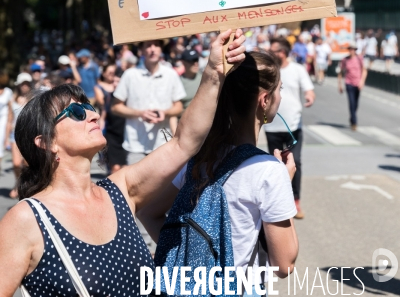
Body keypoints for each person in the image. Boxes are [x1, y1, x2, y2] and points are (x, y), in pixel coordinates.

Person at [0, 29, 245, 297]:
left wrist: (213, 72)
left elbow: (183, 142)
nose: (92, 114)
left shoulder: (119, 191)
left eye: (90, 107)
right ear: (47, 143)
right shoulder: (26, 219)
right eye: (77, 112)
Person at [139, 51, 298, 293]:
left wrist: (189, 260)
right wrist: (284, 185)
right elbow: (284, 265)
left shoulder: (199, 157)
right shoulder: (268, 171)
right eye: (280, 89)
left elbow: (149, 212)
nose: (280, 96)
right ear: (264, 100)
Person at [111, 38, 186, 251]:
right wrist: (139, 113)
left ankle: (165, 247)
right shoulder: (130, 75)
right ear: (141, 50)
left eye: (156, 45)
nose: (152, 49)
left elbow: (178, 105)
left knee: (165, 199)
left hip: (162, 146)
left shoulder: (170, 74)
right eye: (147, 46)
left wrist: (166, 112)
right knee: (136, 199)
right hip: (135, 145)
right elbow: (116, 107)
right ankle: (142, 249)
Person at [265, 37, 315, 219]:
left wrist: (310, 96)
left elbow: (309, 89)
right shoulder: (269, 70)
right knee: (276, 165)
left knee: (296, 162)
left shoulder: (297, 69)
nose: (270, 53)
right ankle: (278, 202)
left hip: (294, 126)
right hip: (272, 127)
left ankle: (295, 200)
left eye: (273, 51)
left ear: (283, 53)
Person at [96, 64, 128, 174]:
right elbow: (104, 113)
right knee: (115, 168)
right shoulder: (109, 96)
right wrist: (100, 128)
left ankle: (122, 189)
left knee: (123, 167)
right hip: (111, 134)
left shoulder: (128, 98)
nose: (115, 84)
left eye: (118, 81)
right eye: (113, 81)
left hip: (124, 134)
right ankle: (114, 188)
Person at [5, 75, 32, 198]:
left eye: (27, 83)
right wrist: (5, 139)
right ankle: (17, 184)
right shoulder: (13, 99)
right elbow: (9, 120)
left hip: (28, 134)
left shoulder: (33, 98)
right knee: (16, 163)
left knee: (27, 163)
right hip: (14, 135)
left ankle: (28, 184)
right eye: (23, 83)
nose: (25, 86)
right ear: (19, 85)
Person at [170, 48, 202, 134]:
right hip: (185, 129)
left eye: (196, 60)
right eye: (191, 61)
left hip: (205, 126)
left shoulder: (205, 78)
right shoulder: (177, 82)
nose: (195, 63)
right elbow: (173, 113)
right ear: (183, 62)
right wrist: (174, 134)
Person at [338, 41, 368, 131]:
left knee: (355, 104)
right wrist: (339, 84)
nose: (351, 51)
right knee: (351, 103)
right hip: (349, 83)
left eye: (353, 49)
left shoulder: (360, 58)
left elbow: (364, 70)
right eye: (350, 49)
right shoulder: (345, 59)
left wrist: (362, 81)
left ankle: (352, 117)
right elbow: (341, 72)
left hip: (357, 83)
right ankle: (354, 122)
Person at [0, 73, 13, 175]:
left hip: (3, 120)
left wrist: (10, 121)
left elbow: (10, 108)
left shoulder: (8, 92)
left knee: (0, 143)